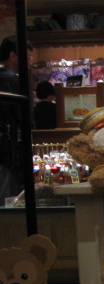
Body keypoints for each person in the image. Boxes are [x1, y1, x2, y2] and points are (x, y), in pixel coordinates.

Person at [0, 34, 33, 204]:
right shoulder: (11, 79)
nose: (30, 63)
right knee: (7, 201)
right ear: (13, 56)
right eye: (28, 57)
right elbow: (23, 117)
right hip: (5, 151)